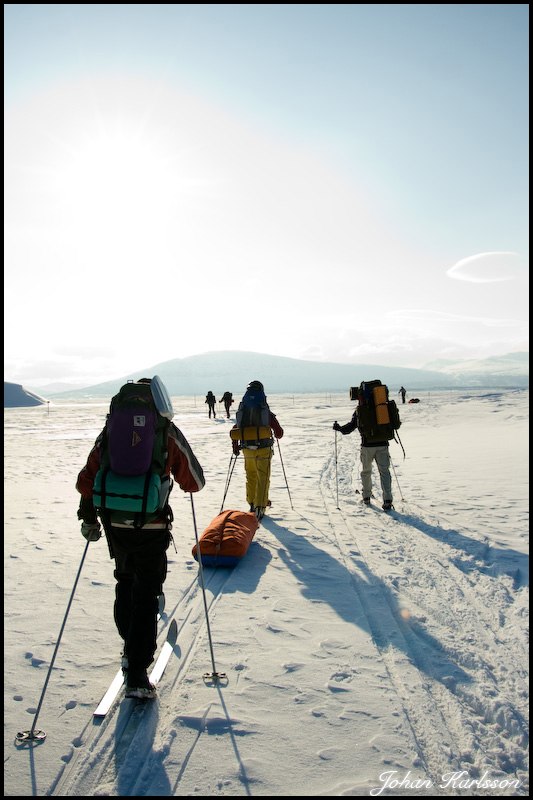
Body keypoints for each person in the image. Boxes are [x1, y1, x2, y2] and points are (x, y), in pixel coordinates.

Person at [76, 378, 205, 700]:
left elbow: (87, 480)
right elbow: (194, 482)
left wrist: (89, 517)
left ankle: (128, 648)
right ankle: (136, 672)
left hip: (114, 521)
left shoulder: (110, 432)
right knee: (147, 593)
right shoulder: (165, 430)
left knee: (125, 581)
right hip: (151, 524)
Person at [230, 380, 284, 520]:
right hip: (264, 449)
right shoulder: (264, 410)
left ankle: (252, 504)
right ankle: (261, 506)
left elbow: (236, 428)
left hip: (247, 449)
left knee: (251, 476)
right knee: (263, 477)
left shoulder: (243, 411)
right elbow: (279, 433)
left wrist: (235, 446)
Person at [333, 391, 394, 511]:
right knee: (385, 472)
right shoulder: (383, 408)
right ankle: (387, 500)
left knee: (366, 471)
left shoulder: (361, 410)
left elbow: (350, 427)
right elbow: (394, 424)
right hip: (383, 445)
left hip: (367, 446)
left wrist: (339, 428)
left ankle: (366, 497)